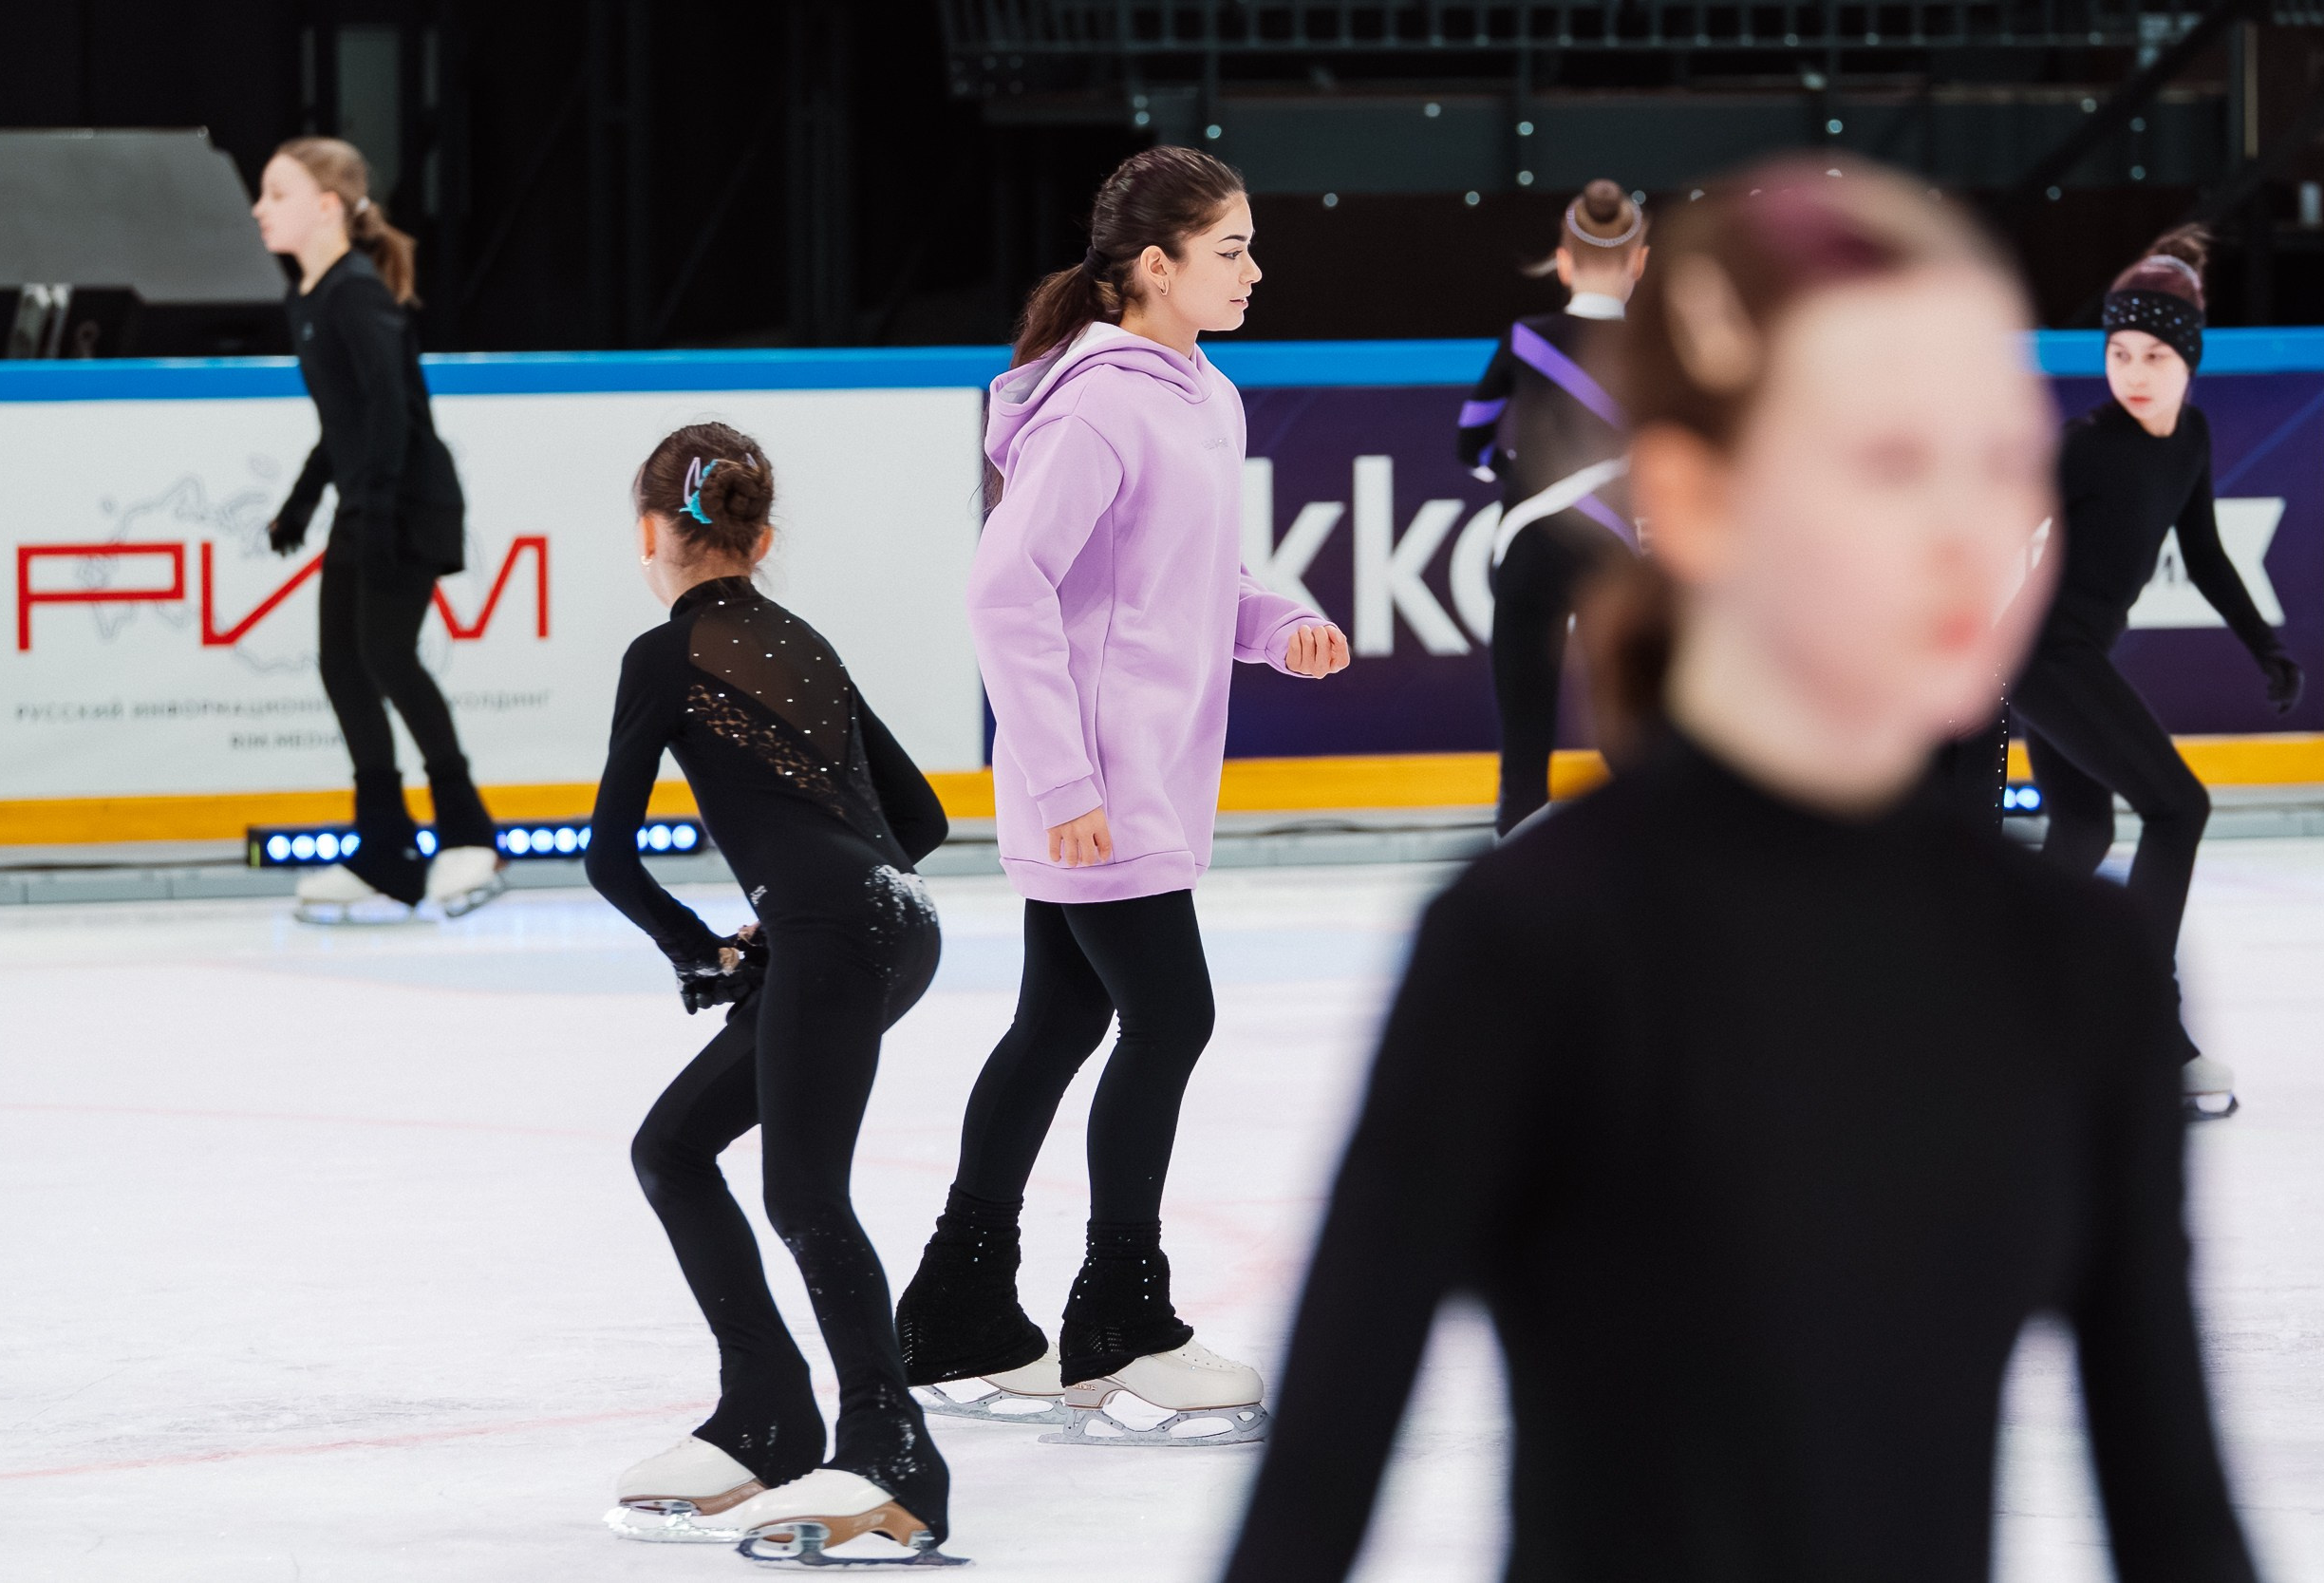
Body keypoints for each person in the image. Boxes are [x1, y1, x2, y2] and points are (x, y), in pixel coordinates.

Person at [1223, 159, 2258, 1583]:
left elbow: (2181, 1520)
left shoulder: (2074, 965)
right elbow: (1306, 1515)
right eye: (1888, 459)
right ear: (1696, 500)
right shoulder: (1529, 945)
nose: (1970, 527)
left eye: (2000, 453)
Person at [892, 146, 1351, 1446]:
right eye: (1231, 251)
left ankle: (959, 1304)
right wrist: (1059, 778)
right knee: (1171, 1012)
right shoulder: (1101, 405)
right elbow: (1004, 587)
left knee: (1054, 1025)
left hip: (1137, 773)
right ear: (1156, 266)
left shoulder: (1199, 391)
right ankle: (1119, 1314)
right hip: (1096, 783)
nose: (1256, 271)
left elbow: (1186, 577)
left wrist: (1281, 619)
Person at [587, 424, 958, 1563]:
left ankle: (893, 1448)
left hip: (832, 931)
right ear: (763, 536)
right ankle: (768, 1409)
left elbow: (609, 855)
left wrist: (700, 948)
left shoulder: (666, 653)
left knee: (802, 1193)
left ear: (650, 531)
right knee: (675, 1148)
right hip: (889, 924)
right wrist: (787, 918)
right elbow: (924, 821)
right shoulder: (804, 638)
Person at [2015, 227, 2305, 1120]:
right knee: (2181, 805)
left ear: (2189, 362)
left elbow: (2207, 552)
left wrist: (2262, 642)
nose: (2132, 372)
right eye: (2117, 352)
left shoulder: (2190, 439)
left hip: (2073, 654)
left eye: (2152, 355)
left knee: (2081, 832)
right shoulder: (2083, 445)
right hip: (2037, 652)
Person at [253, 139, 500, 920]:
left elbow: (393, 410)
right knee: (341, 663)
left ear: (326, 205)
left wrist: (381, 503)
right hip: (369, 501)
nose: (260, 208)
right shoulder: (311, 299)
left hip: (407, 504)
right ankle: (386, 849)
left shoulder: (356, 294)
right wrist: (302, 500)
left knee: (386, 656)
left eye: (276, 193)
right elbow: (345, 420)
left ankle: (468, 832)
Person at [1457, 179, 1647, 836]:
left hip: (1530, 543)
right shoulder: (1656, 343)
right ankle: (1653, 894)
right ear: (1639, 261)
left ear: (1564, 262)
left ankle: (1517, 897)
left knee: (1526, 749)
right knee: (1633, 740)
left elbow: (1471, 441)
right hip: (1619, 549)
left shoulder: (1526, 338)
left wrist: (1519, 481)